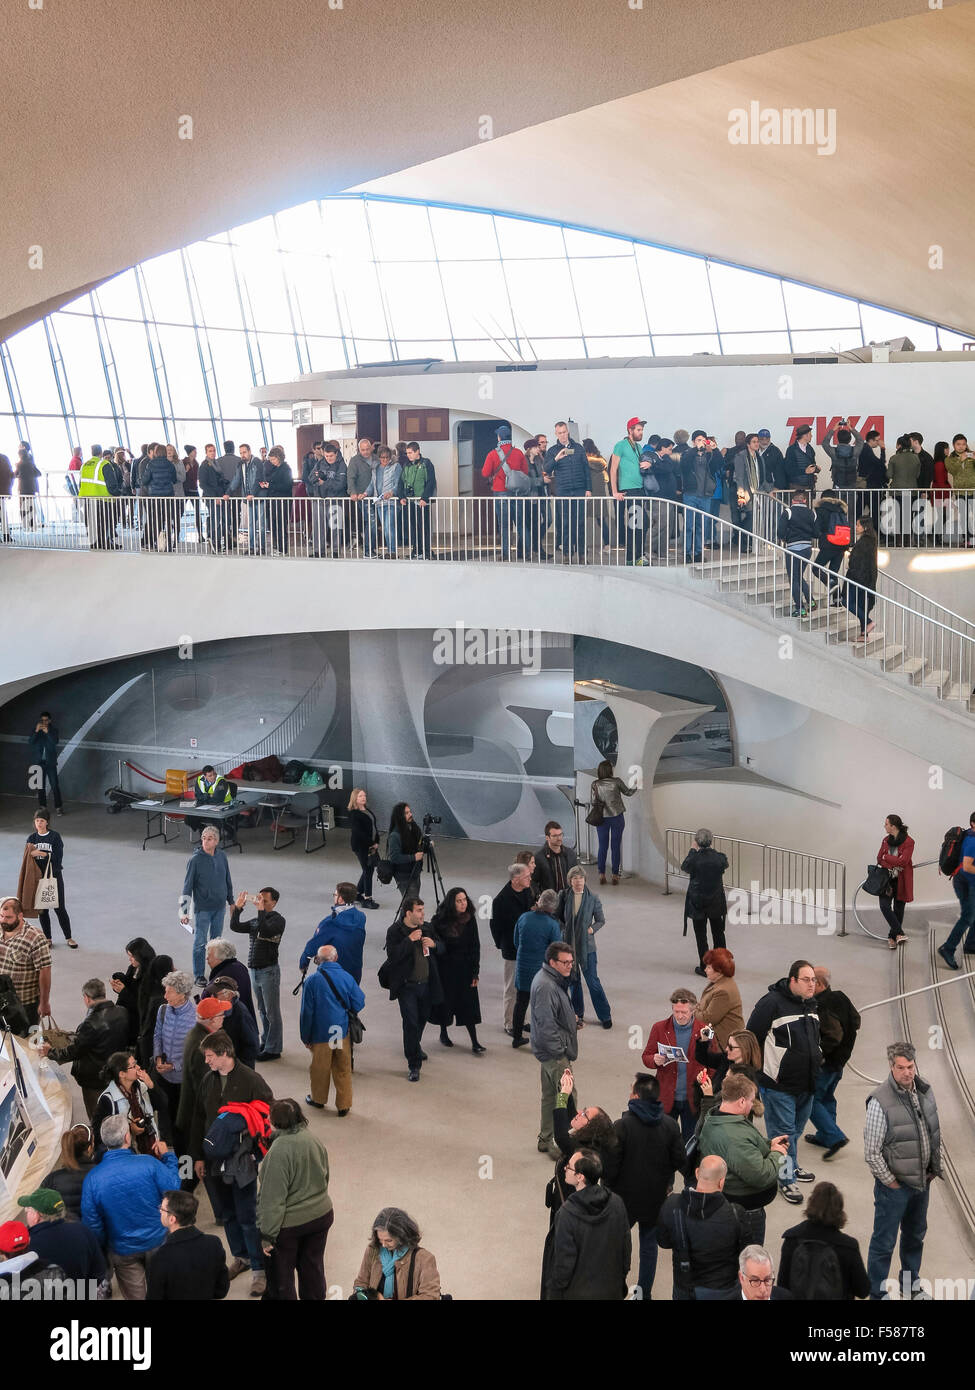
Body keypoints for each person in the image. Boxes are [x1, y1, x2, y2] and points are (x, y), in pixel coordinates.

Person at [191, 1031, 274, 1297]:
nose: (207, 1061)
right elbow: (199, 1118)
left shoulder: (251, 1080)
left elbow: (268, 1114)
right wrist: (199, 1157)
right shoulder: (208, 1080)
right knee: (227, 1213)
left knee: (247, 1215)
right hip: (215, 1161)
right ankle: (241, 1257)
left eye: (210, 1056)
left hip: (242, 1161)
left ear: (225, 1053)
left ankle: (259, 1267)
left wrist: (257, 1151)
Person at [864, 1042, 942, 1301]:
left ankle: (910, 1285)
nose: (907, 1072)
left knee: (915, 1235)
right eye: (901, 1067)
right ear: (891, 1066)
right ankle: (877, 1293)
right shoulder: (880, 1101)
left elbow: (932, 1132)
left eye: (910, 1066)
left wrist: (931, 1169)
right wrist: (891, 1182)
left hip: (922, 1182)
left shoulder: (924, 1090)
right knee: (884, 1243)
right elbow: (872, 1152)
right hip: (895, 1187)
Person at [746, 960, 822, 1204]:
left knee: (796, 1131)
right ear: (792, 980)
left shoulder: (811, 1004)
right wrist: (757, 1076)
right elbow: (751, 1038)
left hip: (807, 1084)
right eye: (807, 980)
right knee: (784, 1134)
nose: (812, 984)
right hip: (778, 1086)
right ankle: (785, 1179)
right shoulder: (771, 1003)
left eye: (814, 980)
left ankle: (792, 1164)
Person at [81, 1113, 179, 1300]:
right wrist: (168, 1157)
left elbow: (93, 1224)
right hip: (158, 1241)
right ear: (127, 1137)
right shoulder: (148, 1163)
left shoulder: (93, 1179)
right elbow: (174, 1189)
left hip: (122, 1251)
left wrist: (109, 1245)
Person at [608, 1072, 685, 1300]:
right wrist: (668, 1183)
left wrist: (608, 1192)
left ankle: (615, 1288)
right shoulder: (670, 1125)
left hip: (623, 1201)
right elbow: (679, 1160)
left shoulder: (622, 1126)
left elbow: (611, 1167)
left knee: (616, 1246)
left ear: (635, 1096)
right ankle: (644, 1293)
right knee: (649, 1248)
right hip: (655, 1199)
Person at [255, 1098, 333, 1300]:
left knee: (282, 1280)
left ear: (274, 1122)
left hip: (289, 1226)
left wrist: (267, 1235)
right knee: (312, 1270)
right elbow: (325, 1177)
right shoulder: (312, 1139)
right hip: (321, 1216)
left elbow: (272, 1199)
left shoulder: (278, 1152)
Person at [698, 1074, 787, 1244]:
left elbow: (746, 1149)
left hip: (732, 1204)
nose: (752, 1105)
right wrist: (778, 1153)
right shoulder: (733, 1137)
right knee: (748, 1256)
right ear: (741, 1102)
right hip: (747, 1213)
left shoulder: (717, 1118)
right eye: (751, 1100)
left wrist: (768, 1145)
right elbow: (759, 1175)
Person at [657, 1155, 757, 1301]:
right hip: (723, 1288)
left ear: (697, 1173)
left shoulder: (672, 1205)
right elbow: (747, 1254)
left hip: (684, 1285)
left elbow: (663, 1242)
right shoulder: (736, 1214)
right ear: (722, 1182)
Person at [541, 1148, 630, 1300]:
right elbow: (625, 1246)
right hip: (610, 1290)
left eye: (568, 1166)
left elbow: (563, 1264)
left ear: (580, 1177)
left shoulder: (566, 1215)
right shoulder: (616, 1203)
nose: (565, 1169)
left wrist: (553, 1293)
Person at [41, 977, 129, 1116]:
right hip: (117, 1073)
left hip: (95, 1079)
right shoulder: (122, 1012)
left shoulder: (90, 1024)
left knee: (98, 1117)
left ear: (87, 998)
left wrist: (50, 1052)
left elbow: (75, 1051)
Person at [381, 897, 443, 1082]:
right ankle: (414, 1064)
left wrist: (435, 945)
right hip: (407, 986)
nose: (423, 914)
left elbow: (443, 947)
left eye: (423, 910)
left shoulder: (427, 928)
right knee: (410, 1023)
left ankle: (414, 1046)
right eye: (419, 910)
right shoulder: (395, 931)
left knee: (422, 1018)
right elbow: (393, 957)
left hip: (426, 984)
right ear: (408, 913)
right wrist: (409, 940)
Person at [300, 945, 365, 1114]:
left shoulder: (312, 981)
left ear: (318, 961)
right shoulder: (347, 977)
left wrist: (305, 1036)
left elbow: (307, 1012)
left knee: (319, 1068)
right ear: (336, 958)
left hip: (320, 1033)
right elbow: (359, 1002)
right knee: (343, 1067)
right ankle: (344, 1105)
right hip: (341, 1030)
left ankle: (318, 1099)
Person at [778, 1181, 869, 1300]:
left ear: (810, 1204)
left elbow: (782, 1286)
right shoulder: (848, 1247)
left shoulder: (791, 1239)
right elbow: (863, 1290)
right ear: (839, 1210)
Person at [642, 988, 711, 1142]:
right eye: (676, 1011)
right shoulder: (659, 1028)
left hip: (692, 1098)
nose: (679, 1016)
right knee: (662, 1140)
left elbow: (712, 1063)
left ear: (693, 1010)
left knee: (690, 1141)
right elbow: (646, 1056)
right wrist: (654, 1059)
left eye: (684, 1012)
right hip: (666, 1096)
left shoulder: (704, 1031)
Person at [805, 966, 860, 1160]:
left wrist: (818, 1054)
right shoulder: (841, 996)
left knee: (810, 1100)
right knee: (827, 1097)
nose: (808, 984)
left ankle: (834, 1136)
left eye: (811, 980)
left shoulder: (821, 1005)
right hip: (840, 1062)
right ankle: (824, 1136)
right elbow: (856, 1020)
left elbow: (834, 1036)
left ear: (819, 983)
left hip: (826, 1063)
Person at [531, 941, 579, 1160]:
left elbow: (555, 1015)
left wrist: (572, 1021)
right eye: (565, 962)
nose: (570, 966)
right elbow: (545, 1024)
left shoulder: (552, 980)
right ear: (552, 962)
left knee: (550, 1096)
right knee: (566, 1097)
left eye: (571, 961)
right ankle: (564, 1142)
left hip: (550, 1050)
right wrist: (559, 1052)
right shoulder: (547, 986)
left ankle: (545, 1138)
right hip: (555, 1054)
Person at [548, 1067, 619, 1216]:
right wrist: (566, 1087)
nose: (579, 1113)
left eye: (585, 1114)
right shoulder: (588, 1142)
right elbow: (572, 1116)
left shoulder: (582, 1152)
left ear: (590, 1127)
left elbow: (561, 1136)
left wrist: (562, 1097)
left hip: (568, 1210)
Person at [175, 997, 232, 1167]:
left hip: (188, 1116)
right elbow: (208, 1092)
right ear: (212, 1020)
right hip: (195, 1122)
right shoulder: (203, 1050)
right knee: (190, 1172)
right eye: (222, 1014)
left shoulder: (197, 1034)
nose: (224, 1017)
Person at [230, 886, 285, 1060]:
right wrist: (238, 908)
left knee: (272, 1012)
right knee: (262, 1010)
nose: (260, 903)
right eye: (259, 899)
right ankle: (267, 1041)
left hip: (269, 971)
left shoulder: (278, 921)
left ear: (274, 903)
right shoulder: (257, 919)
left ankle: (273, 1049)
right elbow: (235, 926)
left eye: (265, 900)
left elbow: (265, 930)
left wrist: (261, 912)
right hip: (255, 970)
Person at [147, 1189, 229, 1301]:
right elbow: (221, 1290)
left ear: (172, 1219)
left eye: (162, 1209)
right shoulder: (214, 1243)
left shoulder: (160, 1257)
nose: (160, 1211)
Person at [430, 887, 484, 1053]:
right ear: (451, 902)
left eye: (465, 900)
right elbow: (436, 947)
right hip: (445, 970)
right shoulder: (438, 921)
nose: (463, 904)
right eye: (459, 901)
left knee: (468, 1005)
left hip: (465, 969)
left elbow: (475, 946)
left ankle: (475, 1041)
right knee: (445, 1004)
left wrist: (475, 971)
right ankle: (443, 1033)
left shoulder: (469, 919)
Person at [17, 1188, 106, 1288]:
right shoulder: (82, 1230)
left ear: (37, 1215)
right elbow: (99, 1271)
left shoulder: (30, 1247)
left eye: (27, 1211)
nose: (26, 1215)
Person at [180, 826, 235, 987]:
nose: (205, 841)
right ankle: (199, 975)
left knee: (216, 943)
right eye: (203, 837)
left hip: (220, 907)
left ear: (217, 841)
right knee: (200, 943)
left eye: (209, 838)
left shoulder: (222, 856)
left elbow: (227, 880)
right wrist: (183, 912)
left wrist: (231, 902)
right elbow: (186, 887)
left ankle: (216, 971)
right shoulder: (195, 860)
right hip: (203, 909)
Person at [558, 865, 611, 1028]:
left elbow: (601, 920)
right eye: (575, 878)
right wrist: (563, 929)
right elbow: (557, 916)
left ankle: (605, 1015)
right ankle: (577, 1014)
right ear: (570, 881)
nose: (578, 881)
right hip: (568, 946)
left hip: (587, 947)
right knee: (573, 981)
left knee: (593, 981)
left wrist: (591, 929)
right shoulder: (564, 896)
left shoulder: (593, 898)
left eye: (581, 878)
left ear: (585, 880)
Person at [150, 969, 197, 1153]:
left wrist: (174, 1065)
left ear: (182, 994)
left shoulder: (195, 1017)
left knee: (182, 1119)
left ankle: (183, 1158)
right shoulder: (163, 1010)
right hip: (163, 1074)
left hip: (183, 1079)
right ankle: (167, 1145)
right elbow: (157, 1035)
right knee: (164, 1110)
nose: (165, 995)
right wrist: (158, 1057)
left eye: (169, 991)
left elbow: (196, 1053)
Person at [511, 888, 562, 1049]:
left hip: (522, 969)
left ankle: (517, 1038)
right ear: (553, 907)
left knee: (520, 1003)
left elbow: (516, 942)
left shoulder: (524, 917)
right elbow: (556, 952)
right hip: (541, 973)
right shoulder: (552, 925)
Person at [352, 1208, 441, 1300]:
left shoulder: (424, 1258)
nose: (383, 1244)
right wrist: (361, 1295)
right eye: (380, 1239)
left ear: (402, 1236)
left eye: (388, 1240)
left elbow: (430, 1296)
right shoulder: (373, 1250)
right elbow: (361, 1283)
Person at [490, 861, 536, 1035]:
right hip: (511, 949)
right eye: (527, 876)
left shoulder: (526, 892)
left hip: (526, 948)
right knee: (511, 988)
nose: (530, 878)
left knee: (525, 987)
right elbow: (495, 926)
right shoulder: (501, 900)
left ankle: (521, 1019)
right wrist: (501, 945)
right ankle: (509, 1023)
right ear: (516, 879)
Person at [93, 1050, 164, 1153]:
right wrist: (130, 1130)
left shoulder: (141, 1087)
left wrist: (151, 1085)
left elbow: (162, 1105)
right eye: (134, 1066)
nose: (139, 1068)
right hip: (126, 1157)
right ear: (122, 1074)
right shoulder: (107, 1099)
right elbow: (101, 1135)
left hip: (152, 1148)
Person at [694, 1028, 763, 1129]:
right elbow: (703, 1057)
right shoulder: (726, 1060)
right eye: (727, 1045)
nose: (726, 1049)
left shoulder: (747, 1077)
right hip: (715, 1119)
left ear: (744, 1049)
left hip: (725, 1127)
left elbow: (725, 1108)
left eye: (731, 1047)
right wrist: (704, 1040)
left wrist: (708, 1094)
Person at [680, 829, 729, 974]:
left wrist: (692, 850)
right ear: (711, 841)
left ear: (697, 842)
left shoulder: (694, 859)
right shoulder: (719, 858)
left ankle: (705, 967)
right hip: (716, 901)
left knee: (701, 936)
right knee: (718, 933)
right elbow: (724, 865)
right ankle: (722, 964)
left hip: (698, 903)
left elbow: (685, 867)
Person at [0, 896, 51, 1029]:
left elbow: (44, 972)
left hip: (24, 1005)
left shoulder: (35, 938)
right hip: (2, 1000)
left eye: (8, 917)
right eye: (1, 916)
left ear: (20, 915)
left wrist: (44, 1003)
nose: (3, 921)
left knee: (25, 1044)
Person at [543, 421, 590, 562]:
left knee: (581, 523)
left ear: (568, 432)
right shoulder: (552, 451)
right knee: (565, 523)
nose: (563, 435)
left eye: (564, 432)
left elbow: (586, 469)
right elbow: (547, 469)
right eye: (560, 433)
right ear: (556, 434)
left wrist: (589, 489)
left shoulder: (578, 448)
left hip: (580, 489)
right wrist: (557, 458)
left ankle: (582, 555)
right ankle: (567, 555)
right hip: (563, 490)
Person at [300, 883, 366, 983]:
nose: (334, 897)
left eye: (335, 895)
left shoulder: (330, 923)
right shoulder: (361, 917)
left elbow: (312, 945)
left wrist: (304, 963)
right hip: (355, 973)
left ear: (340, 899)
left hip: (333, 975)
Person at [588, 760, 637, 885]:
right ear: (610, 770)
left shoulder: (595, 784)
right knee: (615, 846)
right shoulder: (617, 782)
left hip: (601, 819)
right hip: (617, 817)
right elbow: (628, 793)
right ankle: (615, 875)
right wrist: (636, 785)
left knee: (602, 846)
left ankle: (601, 874)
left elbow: (593, 801)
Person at [937, 810, 975, 969]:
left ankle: (971, 945)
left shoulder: (967, 834)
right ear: (973, 824)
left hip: (963, 880)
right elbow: (967, 866)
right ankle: (948, 948)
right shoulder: (973, 841)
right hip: (967, 882)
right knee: (968, 916)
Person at [609, 416, 648, 565]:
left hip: (639, 489)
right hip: (629, 490)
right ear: (630, 430)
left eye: (642, 430)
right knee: (636, 525)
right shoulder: (620, 445)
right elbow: (613, 469)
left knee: (640, 524)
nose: (641, 432)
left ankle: (636, 556)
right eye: (638, 429)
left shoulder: (639, 447)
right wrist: (614, 491)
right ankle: (633, 558)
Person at [776, 488, 818, 617]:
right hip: (807, 549)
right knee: (799, 576)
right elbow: (816, 533)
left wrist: (786, 538)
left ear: (793, 500)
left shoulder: (788, 512)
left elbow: (780, 532)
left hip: (793, 549)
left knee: (793, 578)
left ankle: (800, 609)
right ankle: (810, 601)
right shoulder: (812, 513)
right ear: (805, 500)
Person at [202, 975, 260, 1067]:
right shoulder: (217, 1010)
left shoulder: (241, 1014)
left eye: (216, 994)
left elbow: (253, 1046)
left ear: (229, 995)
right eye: (211, 993)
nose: (212, 997)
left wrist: (236, 1066)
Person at [678, 431, 719, 561]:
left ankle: (698, 552)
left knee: (702, 525)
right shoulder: (687, 454)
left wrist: (715, 449)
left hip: (705, 495)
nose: (701, 442)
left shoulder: (709, 456)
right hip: (691, 494)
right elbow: (683, 465)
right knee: (689, 525)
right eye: (698, 440)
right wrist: (696, 449)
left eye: (703, 440)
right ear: (693, 442)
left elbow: (720, 465)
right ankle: (687, 553)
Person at [876, 814, 914, 949]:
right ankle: (900, 933)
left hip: (901, 880)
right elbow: (879, 858)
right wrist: (891, 863)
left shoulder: (909, 842)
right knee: (884, 906)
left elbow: (903, 862)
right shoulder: (885, 840)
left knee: (899, 909)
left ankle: (892, 937)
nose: (884, 826)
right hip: (887, 880)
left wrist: (888, 857)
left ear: (893, 826)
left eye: (886, 824)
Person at [693, 948, 744, 1048]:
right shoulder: (720, 982)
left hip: (724, 1044)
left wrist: (693, 1010)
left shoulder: (723, 991)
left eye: (708, 967)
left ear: (719, 970)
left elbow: (707, 1019)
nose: (705, 970)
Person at [111, 936, 156, 1046]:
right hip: (125, 1012)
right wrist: (120, 980)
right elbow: (130, 985)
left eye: (132, 956)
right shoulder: (133, 967)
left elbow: (141, 1005)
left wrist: (123, 991)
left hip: (136, 1021)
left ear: (140, 956)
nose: (129, 959)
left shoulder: (150, 976)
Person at [396, 441, 437, 559]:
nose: (408, 455)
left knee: (424, 527)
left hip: (422, 502)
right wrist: (401, 497)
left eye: (410, 453)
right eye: (407, 453)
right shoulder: (407, 465)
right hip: (409, 501)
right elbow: (401, 482)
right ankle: (416, 551)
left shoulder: (426, 463)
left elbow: (431, 482)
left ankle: (426, 551)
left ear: (417, 451)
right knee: (412, 528)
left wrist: (425, 498)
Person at [136, 952, 174, 1068]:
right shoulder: (162, 1000)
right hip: (155, 1050)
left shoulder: (147, 986)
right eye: (171, 967)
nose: (174, 969)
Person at [845, 514, 878, 639]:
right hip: (866, 578)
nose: (856, 527)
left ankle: (868, 622)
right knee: (861, 605)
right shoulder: (870, 540)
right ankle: (864, 634)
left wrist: (851, 563)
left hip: (857, 577)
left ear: (864, 527)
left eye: (858, 525)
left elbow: (858, 561)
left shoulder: (864, 542)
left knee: (846, 601)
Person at [347, 787, 380, 909]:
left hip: (370, 845)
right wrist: (371, 843)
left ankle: (356, 894)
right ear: (355, 798)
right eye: (360, 796)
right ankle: (367, 899)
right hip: (361, 846)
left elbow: (373, 826)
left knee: (368, 869)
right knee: (368, 870)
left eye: (364, 796)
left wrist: (376, 841)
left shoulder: (367, 810)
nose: (363, 798)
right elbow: (358, 833)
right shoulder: (354, 814)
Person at [366, 444, 401, 557]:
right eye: (382, 457)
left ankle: (392, 551)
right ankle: (390, 550)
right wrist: (365, 493)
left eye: (387, 457)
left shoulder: (396, 466)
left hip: (391, 502)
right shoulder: (375, 469)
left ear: (390, 456)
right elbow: (372, 484)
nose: (385, 459)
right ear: (379, 457)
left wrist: (391, 492)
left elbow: (398, 483)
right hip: (379, 503)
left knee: (388, 526)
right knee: (385, 527)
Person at [729, 431, 761, 552]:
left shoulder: (758, 457)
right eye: (754, 442)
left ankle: (746, 541)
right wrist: (741, 494)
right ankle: (743, 543)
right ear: (748, 444)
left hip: (756, 492)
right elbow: (740, 477)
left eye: (757, 441)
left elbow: (761, 475)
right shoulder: (741, 456)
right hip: (746, 492)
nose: (757, 444)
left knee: (752, 517)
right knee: (751, 516)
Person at [387, 802, 424, 898]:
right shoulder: (395, 835)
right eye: (406, 813)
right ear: (400, 816)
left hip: (415, 871)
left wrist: (426, 845)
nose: (410, 814)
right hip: (404, 875)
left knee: (411, 904)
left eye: (410, 812)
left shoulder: (413, 827)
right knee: (412, 904)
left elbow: (418, 846)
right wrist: (413, 857)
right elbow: (394, 858)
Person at [532, 820, 579, 896]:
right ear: (547, 837)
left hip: (568, 897)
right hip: (549, 900)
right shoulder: (538, 857)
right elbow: (532, 881)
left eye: (560, 834)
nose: (559, 838)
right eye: (555, 836)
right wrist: (539, 896)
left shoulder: (570, 854)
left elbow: (577, 876)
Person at [29, 711, 63, 813]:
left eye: (46, 720)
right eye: (42, 720)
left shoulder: (54, 730)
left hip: (50, 763)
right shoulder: (36, 731)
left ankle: (58, 807)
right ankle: (43, 806)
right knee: (40, 786)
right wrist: (36, 731)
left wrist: (47, 732)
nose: (44, 722)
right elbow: (31, 742)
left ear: (50, 720)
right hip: (39, 762)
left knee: (54, 785)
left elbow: (54, 742)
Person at [263, 445, 294, 555]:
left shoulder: (286, 469)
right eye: (270, 460)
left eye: (273, 459)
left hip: (282, 503)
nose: (271, 462)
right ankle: (277, 547)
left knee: (281, 526)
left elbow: (287, 486)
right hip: (274, 502)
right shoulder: (276, 469)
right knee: (274, 526)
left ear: (279, 457)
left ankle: (283, 549)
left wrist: (270, 486)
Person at [188, 764, 233, 834]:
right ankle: (204, 830)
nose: (213, 777)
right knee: (188, 819)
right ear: (205, 776)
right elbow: (198, 796)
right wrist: (209, 795)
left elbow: (218, 799)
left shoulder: (221, 782)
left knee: (216, 819)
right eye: (210, 776)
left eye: (214, 774)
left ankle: (230, 831)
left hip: (223, 804)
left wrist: (204, 797)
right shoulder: (199, 780)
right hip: (206, 805)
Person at [784, 422, 820, 497]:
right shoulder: (791, 450)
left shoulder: (810, 449)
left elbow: (812, 464)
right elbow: (788, 470)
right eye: (810, 434)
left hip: (809, 486)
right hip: (796, 487)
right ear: (805, 435)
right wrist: (805, 471)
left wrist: (815, 468)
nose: (811, 436)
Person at [756, 428, 786, 495]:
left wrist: (777, 487)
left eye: (766, 438)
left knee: (772, 505)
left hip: (771, 486)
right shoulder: (754, 451)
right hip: (757, 486)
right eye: (762, 438)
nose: (764, 440)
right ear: (758, 439)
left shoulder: (775, 451)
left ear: (769, 438)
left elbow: (780, 471)